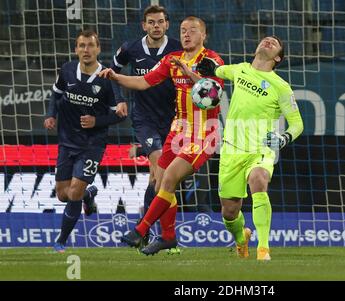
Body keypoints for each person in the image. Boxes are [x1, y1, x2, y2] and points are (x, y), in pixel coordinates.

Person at [99, 16, 224, 255]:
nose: (187, 34)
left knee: (168, 179)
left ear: (204, 36)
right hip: (178, 130)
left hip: (203, 133)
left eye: (193, 31)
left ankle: (140, 230)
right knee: (160, 184)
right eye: (183, 30)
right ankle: (168, 236)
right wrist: (117, 77)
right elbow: (144, 82)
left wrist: (192, 75)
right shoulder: (171, 60)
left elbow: (214, 95)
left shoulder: (212, 60)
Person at [196, 36, 304, 260]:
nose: (268, 41)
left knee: (259, 180)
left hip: (260, 149)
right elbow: (216, 69)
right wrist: (209, 68)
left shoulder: (281, 87)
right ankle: (241, 238)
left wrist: (283, 139)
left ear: (277, 58)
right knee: (229, 212)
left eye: (273, 43)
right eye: (265, 39)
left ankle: (263, 248)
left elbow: (298, 123)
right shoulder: (240, 70)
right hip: (231, 150)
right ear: (256, 49)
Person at [44, 30, 125, 253]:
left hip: (92, 145)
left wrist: (96, 120)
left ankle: (61, 240)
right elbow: (56, 94)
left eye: (90, 45)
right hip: (66, 141)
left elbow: (121, 114)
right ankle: (89, 196)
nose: (86, 50)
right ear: (76, 49)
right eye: (82, 45)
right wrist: (51, 115)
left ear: (98, 49)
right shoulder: (67, 70)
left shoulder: (107, 78)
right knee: (63, 194)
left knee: (74, 193)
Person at [110, 5, 182, 242]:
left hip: (173, 119)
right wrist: (119, 100)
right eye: (151, 22)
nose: (156, 26)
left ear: (167, 24)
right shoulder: (130, 48)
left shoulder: (176, 49)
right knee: (160, 170)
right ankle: (147, 230)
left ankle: (146, 230)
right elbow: (112, 73)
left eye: (160, 22)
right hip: (144, 119)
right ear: (144, 25)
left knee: (158, 179)